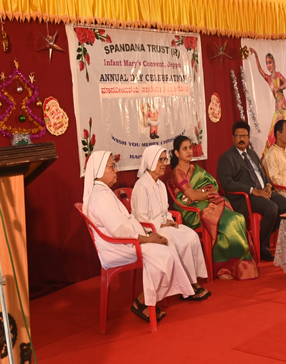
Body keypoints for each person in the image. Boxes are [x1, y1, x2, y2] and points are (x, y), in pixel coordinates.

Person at [84, 151, 194, 322]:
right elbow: (119, 229)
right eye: (112, 167)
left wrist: (148, 234)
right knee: (164, 255)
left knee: (168, 246)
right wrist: (147, 238)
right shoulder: (101, 196)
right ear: (98, 170)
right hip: (119, 246)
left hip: (129, 239)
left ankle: (150, 299)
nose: (116, 170)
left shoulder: (104, 192)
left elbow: (124, 224)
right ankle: (142, 302)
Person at [170, 135, 258, 280]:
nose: (189, 151)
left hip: (208, 204)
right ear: (177, 153)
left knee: (238, 218)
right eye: (184, 149)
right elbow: (192, 196)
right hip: (193, 212)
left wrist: (203, 192)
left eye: (190, 147)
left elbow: (211, 186)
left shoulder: (195, 169)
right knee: (230, 222)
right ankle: (223, 268)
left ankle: (236, 265)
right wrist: (206, 193)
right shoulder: (177, 173)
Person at [132, 145, 210, 300]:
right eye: (160, 160)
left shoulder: (160, 184)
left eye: (165, 159)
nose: (164, 163)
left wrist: (169, 220)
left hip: (164, 225)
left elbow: (165, 210)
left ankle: (191, 280)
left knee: (191, 236)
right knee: (180, 240)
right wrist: (162, 224)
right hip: (151, 231)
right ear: (150, 161)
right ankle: (188, 287)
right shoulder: (141, 186)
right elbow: (142, 220)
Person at [217, 121, 286, 263]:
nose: (242, 139)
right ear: (233, 137)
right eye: (238, 136)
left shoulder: (252, 153)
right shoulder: (226, 158)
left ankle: (258, 239)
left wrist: (268, 185)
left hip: (263, 192)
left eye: (245, 136)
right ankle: (262, 248)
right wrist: (252, 191)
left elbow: (262, 175)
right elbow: (227, 184)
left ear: (248, 137)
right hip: (244, 198)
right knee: (272, 208)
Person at [249, 47, 286, 157]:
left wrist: (280, 87)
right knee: (273, 131)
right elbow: (260, 69)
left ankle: (279, 153)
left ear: (274, 63)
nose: (268, 65)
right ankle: (270, 154)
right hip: (277, 106)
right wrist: (256, 55)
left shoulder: (279, 75)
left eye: (270, 62)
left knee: (280, 130)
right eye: (267, 63)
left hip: (282, 106)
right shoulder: (268, 78)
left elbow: (285, 83)